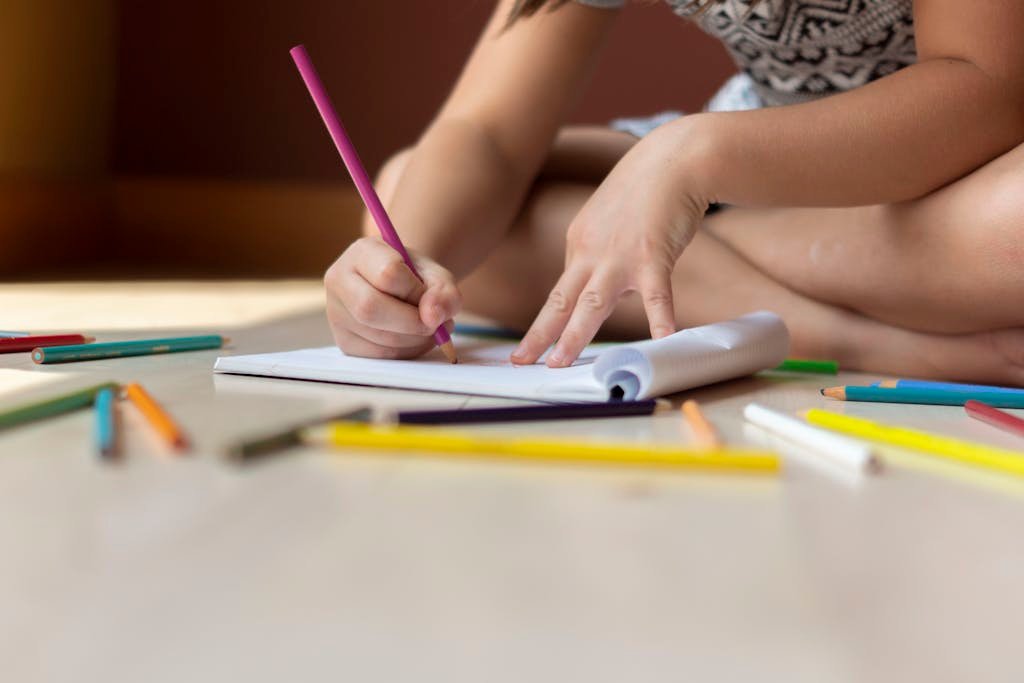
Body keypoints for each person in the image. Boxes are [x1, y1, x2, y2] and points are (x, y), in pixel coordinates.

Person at [324, 0, 1024, 384]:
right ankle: (870, 340)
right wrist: (402, 274)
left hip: (974, 164)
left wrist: (694, 157)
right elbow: (489, 132)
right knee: (404, 191)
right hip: (763, 155)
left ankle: (700, 254)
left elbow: (987, 88)